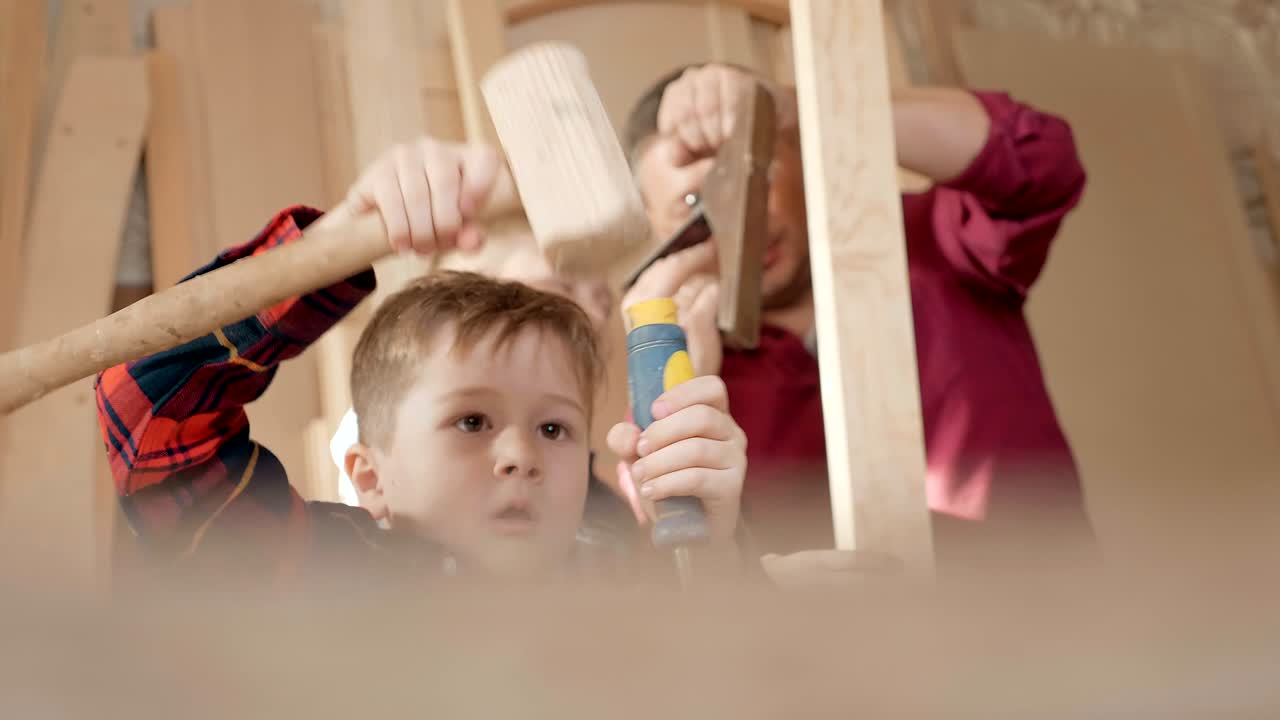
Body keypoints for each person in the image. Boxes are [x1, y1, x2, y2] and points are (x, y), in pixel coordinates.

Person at [95, 136, 749, 588]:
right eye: (471, 422)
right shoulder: (329, 574)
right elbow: (145, 405)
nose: (521, 454)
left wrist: (720, 558)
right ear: (371, 476)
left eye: (554, 429)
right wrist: (328, 248)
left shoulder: (612, 582)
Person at [623, 63, 1096, 573]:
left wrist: (795, 105)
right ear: (663, 235)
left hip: (1057, 620)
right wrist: (678, 385)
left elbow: (1043, 160)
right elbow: (688, 574)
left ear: (798, 152)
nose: (741, 217)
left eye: (748, 171)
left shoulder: (928, 240)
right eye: (694, 202)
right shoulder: (685, 375)